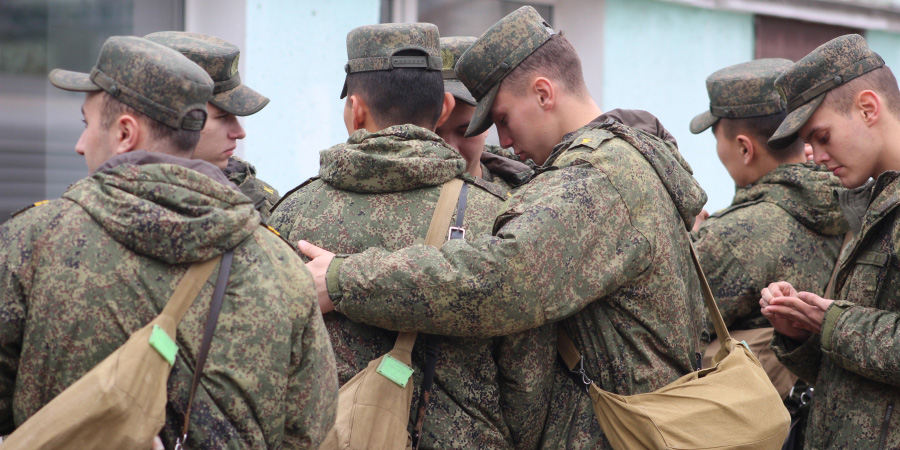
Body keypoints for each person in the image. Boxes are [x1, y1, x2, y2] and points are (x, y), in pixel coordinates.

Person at [299, 7, 708, 447]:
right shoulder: (619, 159)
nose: (505, 141)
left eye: (504, 120)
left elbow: (500, 278)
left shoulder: (598, 179)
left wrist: (343, 279)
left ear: (543, 93)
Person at [0, 36, 337, 448]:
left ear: (126, 133)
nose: (80, 144)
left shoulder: (32, 243)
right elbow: (308, 429)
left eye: (87, 125)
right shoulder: (281, 267)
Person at [268, 23, 555, 449]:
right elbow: (528, 386)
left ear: (355, 110)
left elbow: (268, 363)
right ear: (443, 109)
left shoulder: (290, 215)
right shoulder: (499, 217)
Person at [760, 34, 900, 448]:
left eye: (822, 136)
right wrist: (803, 332)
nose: (815, 157)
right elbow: (853, 378)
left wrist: (833, 323)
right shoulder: (871, 203)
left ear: (868, 108)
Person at [688, 59, 847, 398]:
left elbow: (667, 330)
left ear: (745, 148)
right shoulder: (852, 202)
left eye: (717, 139)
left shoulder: (733, 235)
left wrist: (690, 243)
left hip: (748, 418)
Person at [144, 31, 281, 221]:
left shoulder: (260, 199)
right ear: (167, 117)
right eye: (222, 116)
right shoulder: (113, 202)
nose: (239, 133)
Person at [436, 36, 533, 190]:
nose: (451, 148)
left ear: (486, 124)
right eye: (435, 133)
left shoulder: (528, 191)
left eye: (465, 132)